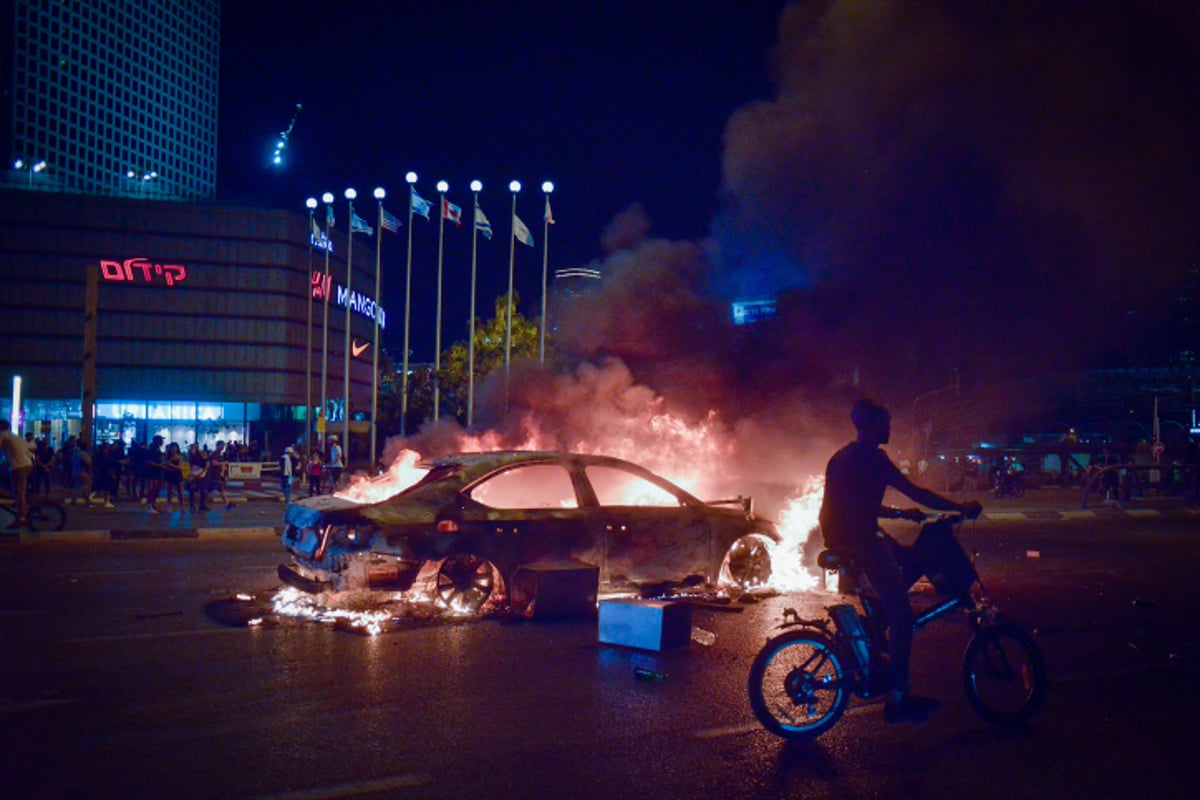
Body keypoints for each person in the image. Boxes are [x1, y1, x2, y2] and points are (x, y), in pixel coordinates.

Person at [818, 398, 981, 724]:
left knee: (903, 561)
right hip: (861, 541)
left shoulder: (842, 457)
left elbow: (854, 504)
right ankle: (898, 698)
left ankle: (876, 628)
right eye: (885, 424)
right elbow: (916, 492)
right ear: (873, 426)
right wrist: (960, 508)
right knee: (903, 616)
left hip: (841, 537)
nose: (889, 429)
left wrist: (898, 514)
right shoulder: (874, 460)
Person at [0, 419, 33, 528]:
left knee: (19, 493)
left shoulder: (3, 435)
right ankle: (21, 506)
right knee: (15, 490)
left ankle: (22, 518)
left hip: (20, 466)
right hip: (25, 464)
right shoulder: (13, 435)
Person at [162, 442, 186, 513]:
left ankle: (182, 506)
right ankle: (169, 506)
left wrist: (170, 464)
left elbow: (180, 467)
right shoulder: (167, 456)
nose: (173, 449)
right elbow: (164, 465)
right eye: (172, 448)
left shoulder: (180, 457)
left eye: (174, 448)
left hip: (177, 474)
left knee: (180, 492)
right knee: (169, 491)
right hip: (169, 474)